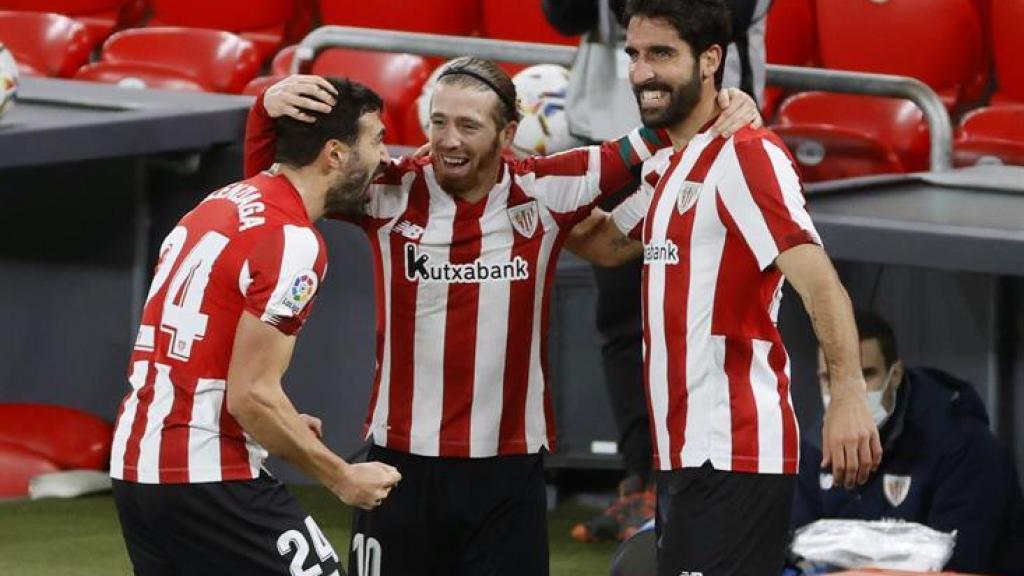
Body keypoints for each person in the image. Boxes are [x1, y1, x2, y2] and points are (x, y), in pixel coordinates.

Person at [244, 58, 762, 576]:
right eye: (439, 121)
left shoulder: (544, 189)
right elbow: (274, 190)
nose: (448, 140)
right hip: (398, 466)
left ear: (508, 133)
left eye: (469, 126)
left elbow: (648, 141)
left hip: (507, 475)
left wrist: (724, 110)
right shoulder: (388, 190)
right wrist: (265, 111)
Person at [565, 0, 881, 574]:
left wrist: (848, 398)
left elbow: (821, 283)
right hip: (685, 454)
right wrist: (508, 186)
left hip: (734, 454)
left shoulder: (749, 156)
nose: (642, 72)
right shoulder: (673, 162)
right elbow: (601, 244)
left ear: (711, 59)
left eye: (661, 54)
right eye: (634, 55)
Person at [109, 77, 402, 576]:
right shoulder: (295, 243)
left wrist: (281, 420)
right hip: (204, 473)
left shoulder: (221, 202)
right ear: (334, 154)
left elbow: (214, 359)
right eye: (375, 140)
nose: (385, 157)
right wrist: (342, 477)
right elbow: (249, 396)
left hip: (137, 466)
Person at [544, 0, 773, 543]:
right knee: (623, 323)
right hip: (620, 136)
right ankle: (642, 480)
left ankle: (712, 473)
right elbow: (566, 14)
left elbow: (721, 17)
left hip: (716, 139)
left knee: (715, 311)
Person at [791, 309, 1024, 575]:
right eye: (830, 378)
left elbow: (959, 567)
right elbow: (795, 554)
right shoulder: (812, 448)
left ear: (896, 375)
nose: (847, 393)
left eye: (865, 375)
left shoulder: (964, 447)